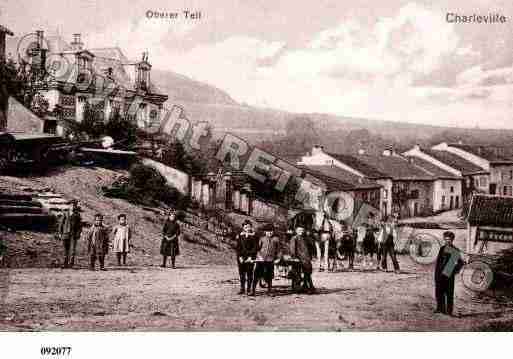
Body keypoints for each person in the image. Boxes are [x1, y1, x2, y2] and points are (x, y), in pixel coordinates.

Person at [434, 231, 464, 317]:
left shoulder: (455, 250)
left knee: (449, 293)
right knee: (439, 291)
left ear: (452, 240)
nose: (447, 241)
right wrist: (436, 274)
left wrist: (454, 271)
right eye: (446, 239)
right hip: (439, 273)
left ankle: (449, 311)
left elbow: (460, 263)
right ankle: (440, 309)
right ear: (444, 239)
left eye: (449, 239)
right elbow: (438, 262)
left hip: (448, 274)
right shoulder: (442, 248)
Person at [252, 223, 280, 296]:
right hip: (261, 259)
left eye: (271, 231)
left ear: (273, 231)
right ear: (265, 232)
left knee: (269, 275)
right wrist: (258, 256)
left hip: (270, 260)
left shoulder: (276, 239)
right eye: (268, 231)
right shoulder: (262, 239)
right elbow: (257, 249)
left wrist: (278, 258)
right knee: (256, 274)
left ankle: (269, 291)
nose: (269, 233)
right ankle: (253, 290)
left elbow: (279, 250)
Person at [290, 225, 315, 293]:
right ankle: (296, 288)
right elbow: (292, 249)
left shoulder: (306, 238)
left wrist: (310, 257)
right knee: (297, 274)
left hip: (306, 259)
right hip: (298, 259)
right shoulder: (294, 238)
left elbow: (310, 247)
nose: (301, 232)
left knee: (308, 273)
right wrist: (294, 257)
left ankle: (306, 286)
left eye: (302, 230)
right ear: (296, 231)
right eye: (299, 230)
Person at [235, 220, 258, 295]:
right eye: (245, 227)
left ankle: (249, 289)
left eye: (248, 227)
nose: (247, 228)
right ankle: (242, 288)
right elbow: (238, 248)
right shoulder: (240, 235)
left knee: (249, 273)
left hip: (250, 258)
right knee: (241, 273)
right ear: (243, 227)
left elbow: (255, 248)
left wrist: (251, 257)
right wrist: (240, 257)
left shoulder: (254, 236)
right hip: (241, 257)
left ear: (251, 227)